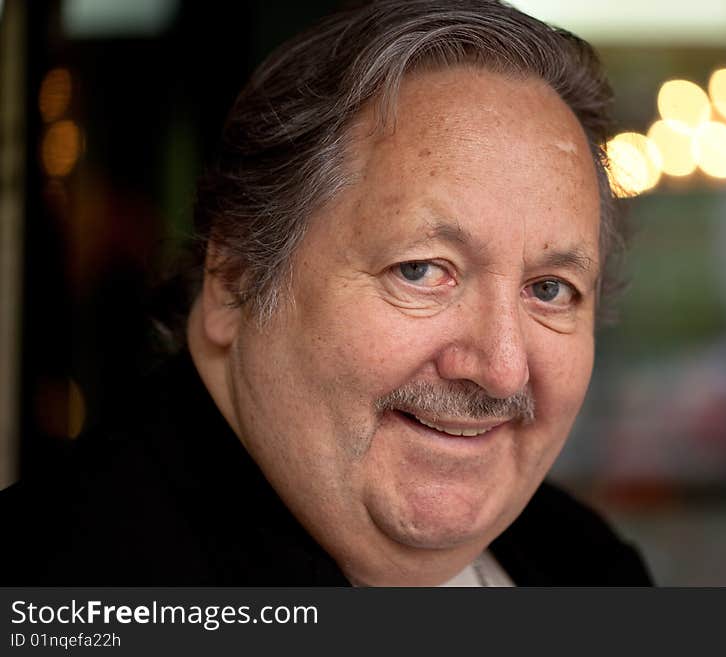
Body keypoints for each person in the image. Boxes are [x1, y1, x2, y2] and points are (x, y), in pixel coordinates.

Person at [1, 0, 651, 586]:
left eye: (549, 288)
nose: (503, 366)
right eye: (422, 270)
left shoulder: (590, 565)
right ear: (235, 280)